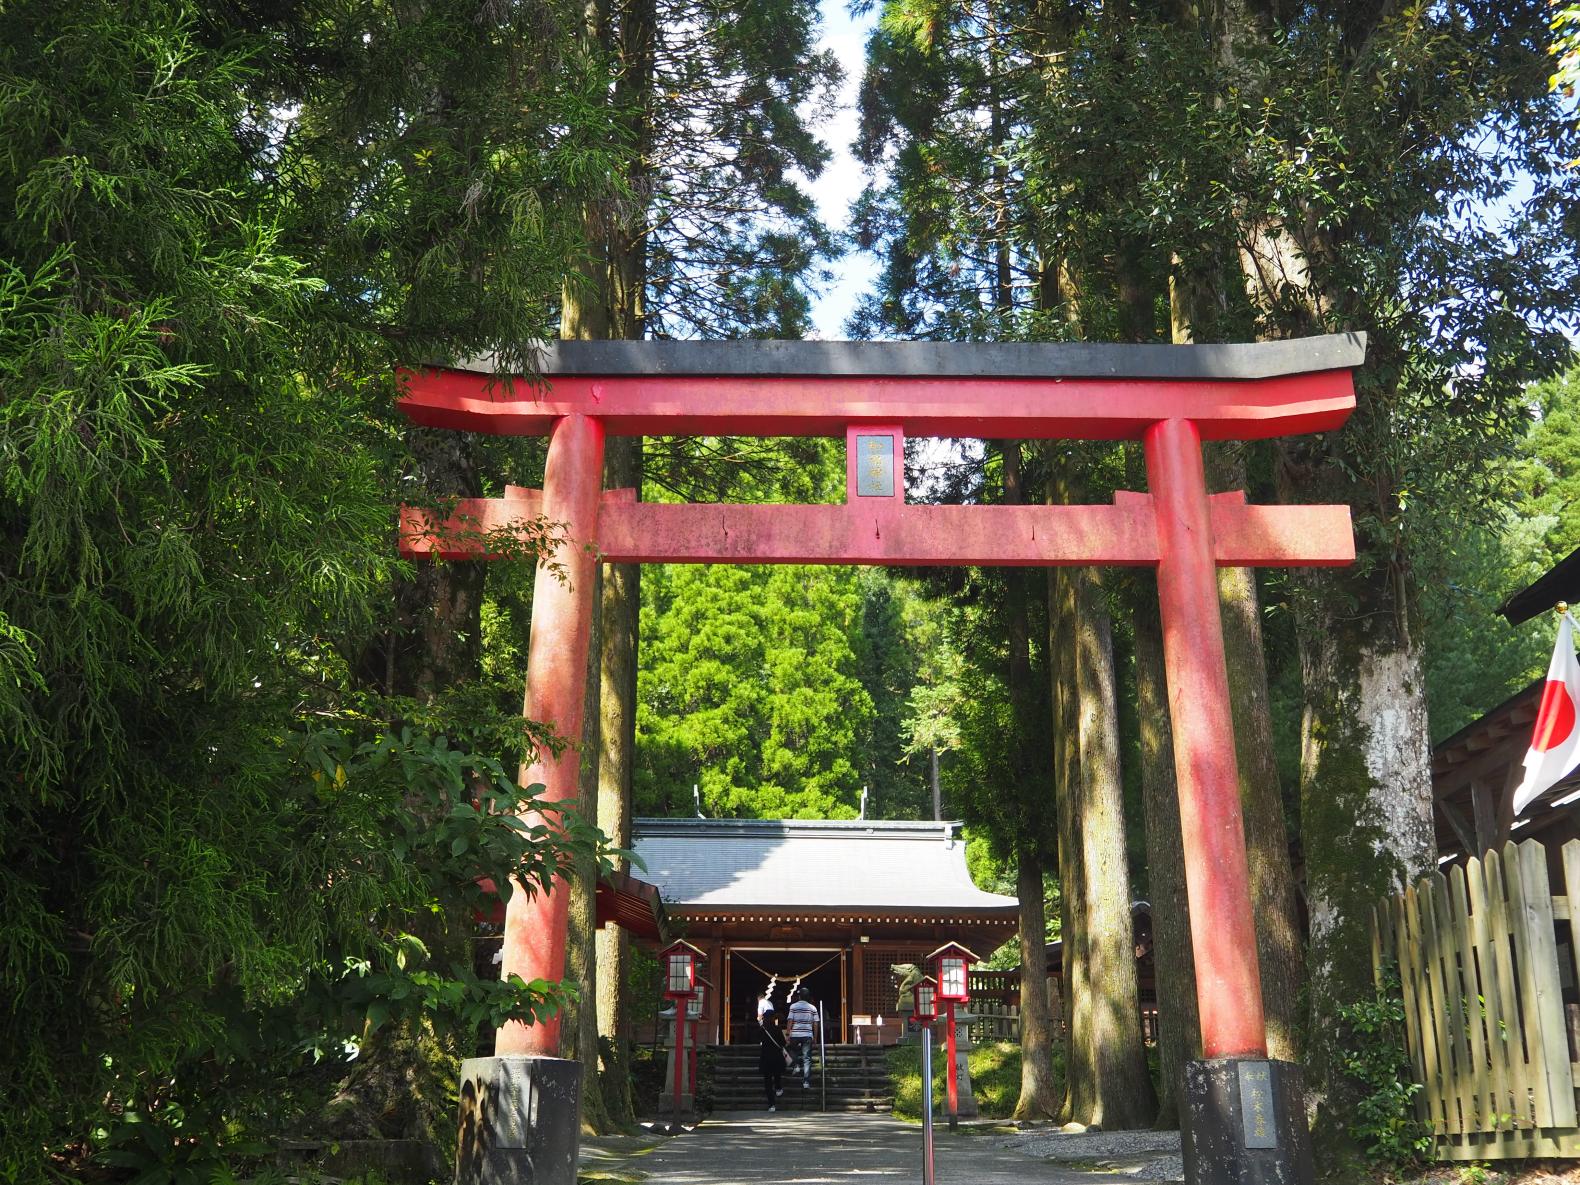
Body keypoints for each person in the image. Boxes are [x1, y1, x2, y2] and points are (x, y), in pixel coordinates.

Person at [786, 987, 821, 1089]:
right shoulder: (813, 1008)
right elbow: (816, 1023)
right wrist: (815, 1037)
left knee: (790, 1050)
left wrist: (788, 1034)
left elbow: (790, 1021)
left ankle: (796, 1065)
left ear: (799, 996)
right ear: (808, 997)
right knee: (807, 1058)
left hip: (795, 1034)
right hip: (807, 1034)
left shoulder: (793, 1006)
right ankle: (806, 1081)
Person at [757, 1007, 789, 1111]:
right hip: (776, 1057)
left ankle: (771, 1104)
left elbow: (758, 1040)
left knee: (767, 1082)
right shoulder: (777, 1029)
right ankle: (778, 1088)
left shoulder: (762, 1030)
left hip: (766, 1057)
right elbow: (783, 1043)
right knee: (777, 1074)